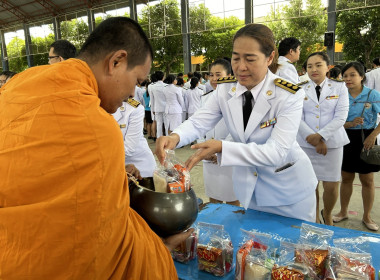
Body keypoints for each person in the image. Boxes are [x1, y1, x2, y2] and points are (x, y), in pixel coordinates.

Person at [0, 17, 191, 279]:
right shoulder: (96, 127)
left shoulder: (18, 86)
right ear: (116, 62)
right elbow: (102, 236)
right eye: (136, 80)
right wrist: (156, 250)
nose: (133, 93)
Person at [156, 24, 317, 222]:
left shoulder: (288, 94)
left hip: (289, 192)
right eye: (235, 58)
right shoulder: (226, 89)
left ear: (269, 57)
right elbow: (200, 121)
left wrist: (223, 147)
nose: (241, 66)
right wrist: (175, 137)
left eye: (250, 59)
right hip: (250, 191)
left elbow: (276, 152)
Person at [297, 52, 349, 225]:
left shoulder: (339, 87)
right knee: (310, 183)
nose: (314, 69)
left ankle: (327, 214)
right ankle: (313, 217)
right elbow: (296, 115)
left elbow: (341, 116)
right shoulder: (299, 86)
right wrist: (312, 138)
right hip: (306, 143)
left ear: (328, 67)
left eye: (318, 65)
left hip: (333, 144)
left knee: (332, 184)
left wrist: (321, 137)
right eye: (310, 66)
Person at [333, 62, 380, 231]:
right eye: (345, 75)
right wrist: (349, 124)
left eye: (352, 75)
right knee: (346, 178)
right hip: (345, 138)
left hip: (366, 138)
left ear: (362, 77)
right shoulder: (340, 94)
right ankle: (343, 211)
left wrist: (373, 135)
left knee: (367, 180)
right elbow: (333, 121)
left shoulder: (372, 95)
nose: (348, 79)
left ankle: (367, 216)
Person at [200, 58, 240, 206]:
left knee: (232, 198)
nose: (214, 79)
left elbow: (238, 130)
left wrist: (221, 150)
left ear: (230, 75)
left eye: (218, 74)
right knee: (213, 197)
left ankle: (233, 229)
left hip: (227, 156)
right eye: (211, 75)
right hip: (208, 156)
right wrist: (203, 148)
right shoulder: (205, 99)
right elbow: (200, 127)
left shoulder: (237, 98)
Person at [113, 98, 156, 178]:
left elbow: (129, 149)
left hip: (139, 167)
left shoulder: (133, 108)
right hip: (112, 168)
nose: (132, 94)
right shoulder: (91, 106)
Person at [150, 70, 167, 138]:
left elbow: (152, 99)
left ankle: (159, 138)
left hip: (157, 107)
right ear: (163, 77)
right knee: (166, 124)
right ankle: (167, 137)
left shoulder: (152, 87)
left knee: (159, 124)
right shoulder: (166, 86)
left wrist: (153, 109)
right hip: (166, 107)